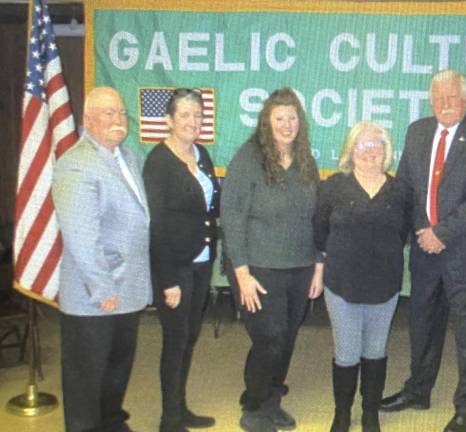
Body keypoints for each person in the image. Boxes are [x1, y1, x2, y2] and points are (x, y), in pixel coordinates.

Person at [380, 69, 466, 432]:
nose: (445, 104)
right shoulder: (417, 131)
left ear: (465, 100)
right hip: (423, 251)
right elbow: (405, 187)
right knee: (422, 327)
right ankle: (418, 390)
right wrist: (416, 232)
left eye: (452, 98)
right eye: (438, 98)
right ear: (430, 100)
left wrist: (442, 233)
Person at [220, 87, 323, 432]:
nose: (287, 124)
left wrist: (317, 265)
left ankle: (272, 400)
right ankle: (252, 405)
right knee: (270, 338)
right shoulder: (249, 158)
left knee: (288, 337)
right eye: (279, 117)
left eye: (292, 117)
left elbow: (317, 218)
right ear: (267, 121)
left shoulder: (306, 159)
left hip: (300, 266)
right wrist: (242, 274)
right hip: (257, 268)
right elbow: (232, 217)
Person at [52, 86, 153, 432]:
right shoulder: (76, 165)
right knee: (86, 382)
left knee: (116, 370)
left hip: (127, 291)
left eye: (122, 113)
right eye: (108, 113)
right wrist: (102, 287)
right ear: (87, 119)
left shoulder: (128, 157)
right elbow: (81, 236)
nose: (118, 120)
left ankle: (111, 422)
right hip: (94, 298)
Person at [314, 121, 410, 432]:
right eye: (362, 145)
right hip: (342, 284)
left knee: (375, 351)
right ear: (350, 151)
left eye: (376, 145)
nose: (369, 151)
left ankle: (370, 412)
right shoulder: (331, 187)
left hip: (385, 285)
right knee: (346, 352)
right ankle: (342, 413)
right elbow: (319, 233)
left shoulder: (400, 191)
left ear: (386, 152)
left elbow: (404, 233)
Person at [143, 88, 220, 432]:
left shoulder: (201, 153)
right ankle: (168, 420)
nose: (193, 121)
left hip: (201, 261)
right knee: (175, 342)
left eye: (198, 115)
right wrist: (167, 279)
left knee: (189, 337)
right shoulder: (158, 162)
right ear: (169, 120)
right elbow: (155, 225)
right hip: (174, 267)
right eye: (185, 115)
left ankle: (180, 407)